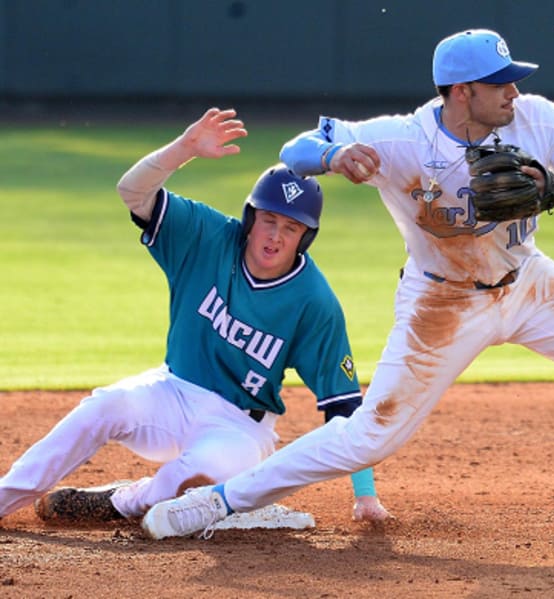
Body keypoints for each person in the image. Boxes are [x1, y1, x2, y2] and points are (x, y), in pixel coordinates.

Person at [141, 30, 554, 545]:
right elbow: (297, 147)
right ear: (463, 92)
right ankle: (222, 502)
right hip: (442, 301)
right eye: (500, 82)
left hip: (529, 281)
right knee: (372, 433)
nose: (514, 90)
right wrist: (337, 156)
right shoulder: (403, 140)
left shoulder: (538, 119)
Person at [0, 107, 390, 525]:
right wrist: (182, 149)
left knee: (184, 490)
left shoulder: (314, 302)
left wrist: (365, 495)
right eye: (268, 220)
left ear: (305, 237)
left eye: (291, 228)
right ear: (250, 218)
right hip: (172, 393)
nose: (275, 236)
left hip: (240, 430)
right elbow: (132, 192)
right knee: (104, 405)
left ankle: (125, 501)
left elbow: (344, 408)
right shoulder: (207, 237)